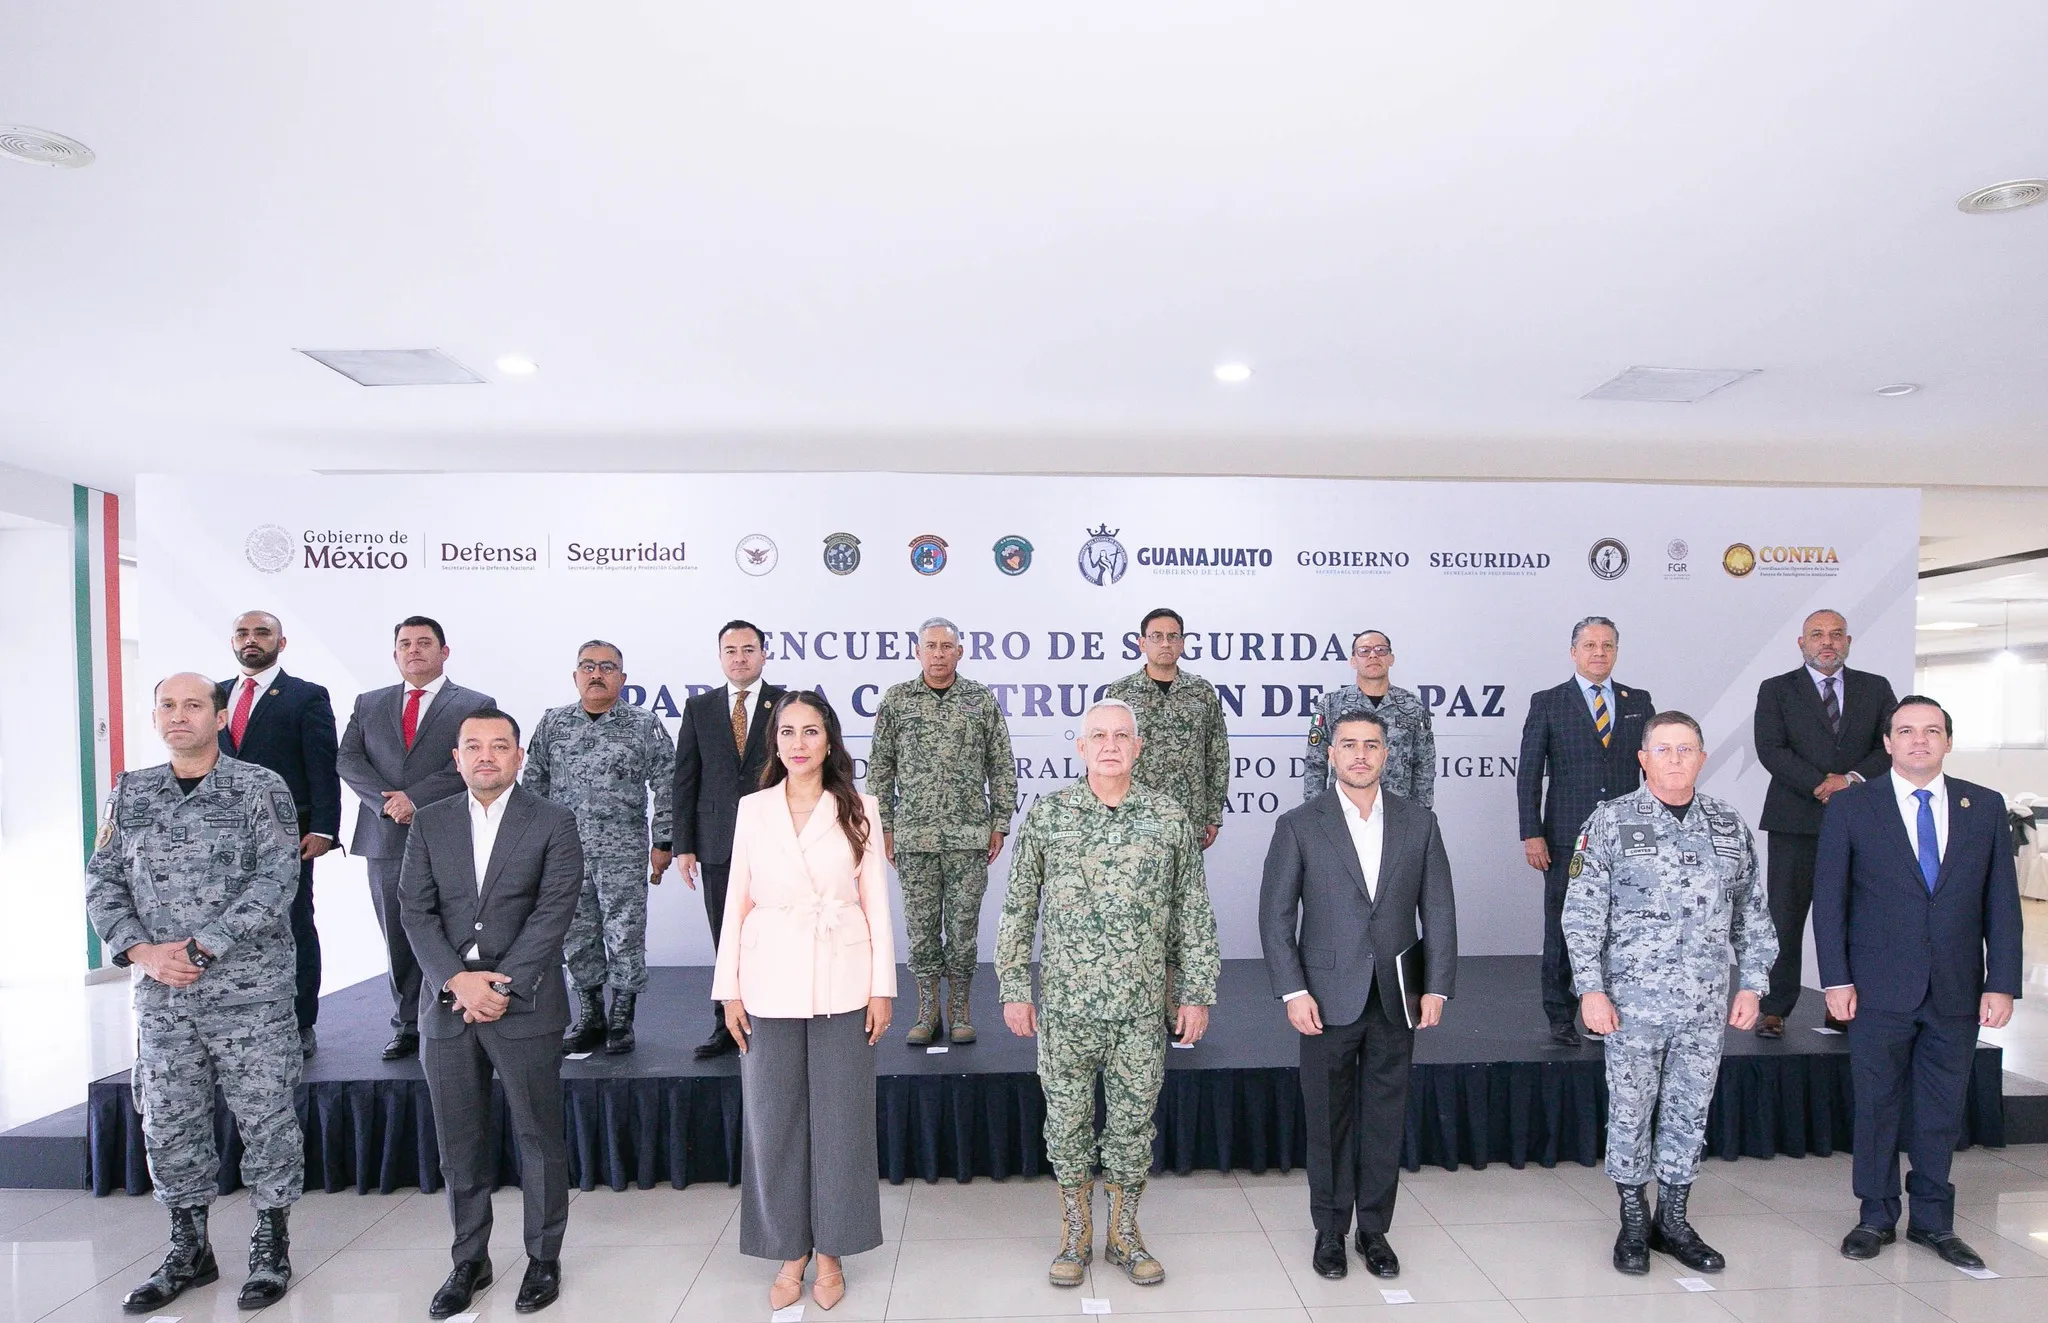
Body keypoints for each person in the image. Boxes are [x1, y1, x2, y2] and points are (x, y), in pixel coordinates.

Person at [86, 674, 304, 1312]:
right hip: (163, 996)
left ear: (219, 716)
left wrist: (204, 947)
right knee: (169, 1118)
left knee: (266, 1116)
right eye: (167, 706)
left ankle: (271, 1242)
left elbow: (278, 878)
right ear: (155, 717)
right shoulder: (130, 791)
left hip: (249, 992)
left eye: (193, 705)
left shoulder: (258, 787)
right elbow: (102, 880)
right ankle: (189, 1246)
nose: (179, 716)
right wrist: (142, 952)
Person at [997, 699, 1220, 1288]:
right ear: (1081, 746)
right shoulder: (1049, 816)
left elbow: (1193, 912)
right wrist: (1015, 987)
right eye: (1098, 735)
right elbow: (1018, 908)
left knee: (1132, 1128)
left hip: (1140, 1010)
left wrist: (1196, 992)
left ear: (1138, 747)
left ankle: (1123, 1235)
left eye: (1122, 735)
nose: (1111, 745)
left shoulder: (1168, 817)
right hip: (1066, 1010)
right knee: (1067, 1127)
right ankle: (1075, 1236)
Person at [1813, 695, 2024, 1270]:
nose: (1919, 740)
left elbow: (2002, 901)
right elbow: (1828, 901)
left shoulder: (1983, 805)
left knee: (1941, 1107)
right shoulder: (1854, 806)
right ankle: (1875, 1216)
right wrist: (1836, 979)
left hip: (1957, 988)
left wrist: (2001, 982)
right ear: (1887, 743)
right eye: (1906, 731)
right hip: (1876, 987)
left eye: (1932, 731)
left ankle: (1933, 1220)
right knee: (1877, 1104)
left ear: (1948, 742)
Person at [1563, 711, 1775, 1276]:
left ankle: (1673, 1221)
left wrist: (1753, 984)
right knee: (1631, 1110)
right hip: (1630, 1005)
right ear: (1643, 759)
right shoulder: (1610, 821)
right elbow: (1581, 915)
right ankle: (1634, 1222)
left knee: (1689, 1110)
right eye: (1663, 749)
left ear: (1702, 758)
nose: (1675, 759)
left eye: (1686, 749)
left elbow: (1751, 912)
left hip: (1703, 1005)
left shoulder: (1727, 825)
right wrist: (1590, 990)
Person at [714, 691, 896, 1313]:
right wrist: (728, 989)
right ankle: (789, 1249)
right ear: (775, 741)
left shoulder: (859, 808)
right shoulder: (753, 808)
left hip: (844, 975)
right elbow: (737, 899)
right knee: (773, 1120)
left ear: (830, 739)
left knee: (843, 1121)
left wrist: (881, 986)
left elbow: (875, 902)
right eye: (787, 732)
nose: (798, 743)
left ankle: (833, 1251)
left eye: (810, 731)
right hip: (767, 977)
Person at [398, 707, 584, 1318]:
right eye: (473, 746)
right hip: (448, 1003)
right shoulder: (430, 822)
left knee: (538, 1136)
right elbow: (415, 911)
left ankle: (543, 1258)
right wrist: (457, 980)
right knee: (460, 1142)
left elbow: (554, 910)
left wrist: (501, 985)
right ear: (456, 759)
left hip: (523, 1003)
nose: (486, 756)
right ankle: (469, 1261)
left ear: (518, 756)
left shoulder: (553, 820)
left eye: (499, 746)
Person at [1260, 709, 1457, 1282]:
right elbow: (1276, 917)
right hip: (1324, 998)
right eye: (1349, 744)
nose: (1361, 754)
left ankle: (1374, 1231)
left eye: (1371, 745)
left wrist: (1437, 986)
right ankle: (1329, 1231)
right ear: (1331, 754)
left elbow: (1439, 910)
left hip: (1397, 996)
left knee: (1384, 1118)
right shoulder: (1299, 824)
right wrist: (1293, 990)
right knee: (1327, 1120)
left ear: (1386, 754)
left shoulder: (1419, 823)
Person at [337, 615, 495, 1060]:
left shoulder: (475, 704)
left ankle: (456, 1015)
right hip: (385, 836)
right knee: (398, 932)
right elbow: (348, 759)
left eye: (424, 643)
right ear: (395, 654)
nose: (414, 650)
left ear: (444, 652)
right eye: (405, 644)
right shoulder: (369, 703)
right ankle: (408, 1023)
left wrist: (414, 798)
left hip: (450, 835)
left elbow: (471, 762)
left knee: (453, 929)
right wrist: (387, 803)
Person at [868, 617, 1019, 1045]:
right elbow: (880, 769)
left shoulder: (979, 700)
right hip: (914, 838)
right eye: (930, 646)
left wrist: (999, 822)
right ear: (918, 652)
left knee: (963, 930)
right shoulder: (898, 701)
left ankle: (960, 1010)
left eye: (946, 646)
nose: (938, 654)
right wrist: (885, 828)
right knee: (920, 931)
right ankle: (927, 1010)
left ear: (959, 652)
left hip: (969, 837)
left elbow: (1001, 764)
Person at [523, 640, 675, 1054]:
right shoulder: (553, 723)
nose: (596, 674)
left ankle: (622, 1018)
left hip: (622, 850)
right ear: (575, 676)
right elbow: (533, 784)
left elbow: (668, 783)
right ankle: (591, 1014)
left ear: (622, 679)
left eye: (607, 667)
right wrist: (531, 846)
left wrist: (664, 840)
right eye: (587, 666)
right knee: (576, 934)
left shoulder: (643, 724)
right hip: (563, 853)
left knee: (624, 933)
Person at [1751, 610, 1897, 1037]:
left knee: (1852, 916)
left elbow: (1889, 744)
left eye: (1836, 634)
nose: (1827, 642)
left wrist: (1849, 780)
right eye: (1817, 634)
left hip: (1859, 821)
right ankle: (1775, 1007)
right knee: (1785, 918)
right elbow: (1770, 748)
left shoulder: (1876, 688)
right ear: (1802, 643)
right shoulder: (1777, 689)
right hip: (1794, 821)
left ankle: (1843, 1008)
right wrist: (1820, 784)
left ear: (1848, 642)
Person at [1515, 616, 1654, 1047]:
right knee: (1563, 927)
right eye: (1590, 645)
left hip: (1629, 838)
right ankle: (1560, 1015)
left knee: (1623, 926)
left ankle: (1609, 1013)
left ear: (1616, 652)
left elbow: (1652, 771)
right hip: (1565, 837)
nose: (1599, 653)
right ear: (1573, 652)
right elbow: (1529, 773)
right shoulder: (1548, 702)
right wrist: (1531, 833)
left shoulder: (1639, 701)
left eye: (1607, 645)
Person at [217, 609, 341, 1057]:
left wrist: (324, 827)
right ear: (233, 641)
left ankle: (301, 1021)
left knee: (293, 922)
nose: (251, 640)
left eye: (262, 632)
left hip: (287, 832)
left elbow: (323, 766)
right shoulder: (214, 695)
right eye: (242, 633)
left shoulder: (305, 696)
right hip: (221, 836)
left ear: (281, 643)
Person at [672, 620, 785, 1058]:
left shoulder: (785, 704)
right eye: (731, 650)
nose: (740, 658)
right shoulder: (699, 708)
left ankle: (773, 1018)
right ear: (720, 657)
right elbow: (686, 778)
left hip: (775, 840)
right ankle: (726, 1024)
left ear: (763, 655)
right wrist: (684, 844)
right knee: (726, 936)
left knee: (775, 934)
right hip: (717, 841)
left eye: (748, 649)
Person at [1102, 607, 1230, 847]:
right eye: (1156, 636)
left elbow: (1217, 755)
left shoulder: (1201, 692)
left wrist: (1213, 814)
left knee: (1186, 873)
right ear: (1142, 643)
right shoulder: (1121, 692)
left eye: (1173, 636)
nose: (1165, 643)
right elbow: (1105, 754)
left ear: (1182, 644)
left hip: (1188, 814)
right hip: (1133, 814)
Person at [1303, 630, 1437, 807]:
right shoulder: (1332, 704)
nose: (1373, 655)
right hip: (1344, 809)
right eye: (1364, 651)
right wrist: (1315, 812)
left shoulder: (1412, 705)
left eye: (1381, 650)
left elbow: (1424, 763)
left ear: (1391, 658)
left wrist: (1421, 813)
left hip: (1399, 810)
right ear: (1353, 661)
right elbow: (1315, 763)